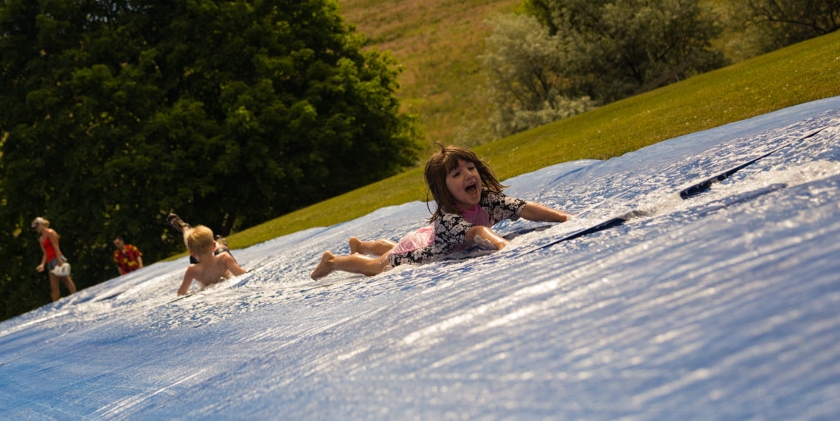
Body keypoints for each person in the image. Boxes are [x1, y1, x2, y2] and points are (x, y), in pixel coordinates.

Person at [311, 144, 571, 280]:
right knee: (377, 266)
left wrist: (564, 219)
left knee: (394, 247)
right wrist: (505, 247)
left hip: (425, 238)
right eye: (457, 174)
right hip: (421, 250)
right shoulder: (449, 220)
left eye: (471, 168)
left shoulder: (488, 200)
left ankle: (363, 244)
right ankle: (334, 262)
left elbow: (525, 208)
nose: (469, 175)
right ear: (443, 190)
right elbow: (479, 232)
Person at [176, 225, 247, 296]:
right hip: (219, 260)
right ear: (214, 245)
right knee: (221, 251)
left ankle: (185, 228)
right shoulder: (225, 257)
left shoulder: (192, 270)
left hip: (198, 258)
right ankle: (220, 243)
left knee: (220, 250)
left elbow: (181, 293)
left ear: (191, 253)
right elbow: (241, 274)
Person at [32, 217, 77, 301]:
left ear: (42, 224)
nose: (36, 229)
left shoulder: (50, 232)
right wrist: (42, 264)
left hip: (57, 258)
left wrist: (59, 259)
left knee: (66, 279)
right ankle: (55, 307)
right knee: (53, 286)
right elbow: (45, 253)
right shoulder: (41, 239)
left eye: (37, 226)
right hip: (50, 262)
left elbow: (56, 246)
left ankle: (75, 296)